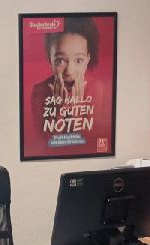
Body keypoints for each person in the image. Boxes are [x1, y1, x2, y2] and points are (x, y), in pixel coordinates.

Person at [30, 17, 107, 147]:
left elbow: (88, 143)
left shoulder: (96, 88)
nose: (69, 71)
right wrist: (58, 110)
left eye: (79, 60)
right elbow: (44, 144)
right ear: (50, 60)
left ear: (87, 60)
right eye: (60, 60)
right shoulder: (39, 92)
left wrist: (76, 109)